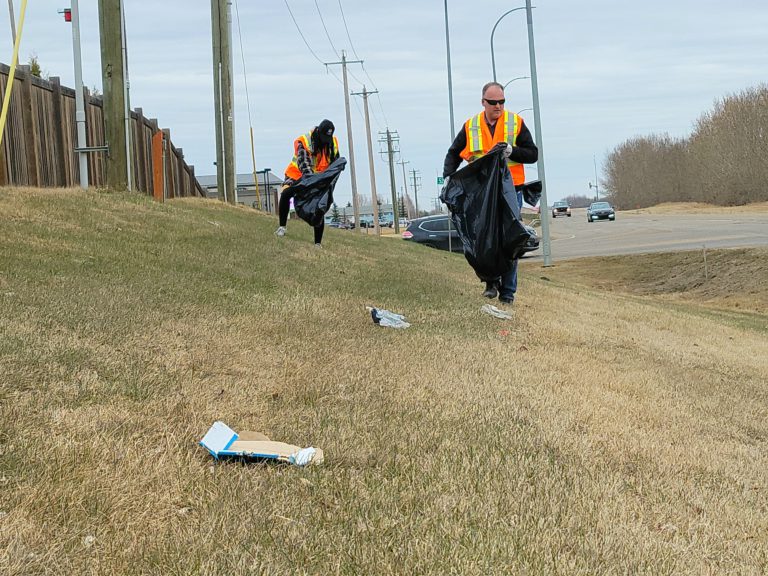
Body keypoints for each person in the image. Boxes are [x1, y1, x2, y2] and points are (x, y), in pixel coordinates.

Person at [443, 82, 538, 304]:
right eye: (493, 102)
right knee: (484, 239)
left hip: (510, 191)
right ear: (483, 102)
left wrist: (512, 151)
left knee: (510, 239)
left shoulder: (515, 123)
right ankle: (490, 282)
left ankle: (508, 293)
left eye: (502, 102)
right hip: (482, 193)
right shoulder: (471, 126)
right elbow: (454, 153)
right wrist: (449, 177)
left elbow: (533, 154)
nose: (498, 106)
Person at [276, 119, 340, 247]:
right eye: (322, 138)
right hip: (297, 174)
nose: (324, 142)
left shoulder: (332, 143)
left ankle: (317, 243)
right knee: (286, 194)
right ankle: (282, 227)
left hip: (318, 178)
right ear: (318, 133)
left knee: (319, 205)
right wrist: (311, 182)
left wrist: (326, 184)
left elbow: (335, 166)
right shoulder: (305, 141)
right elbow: (303, 164)